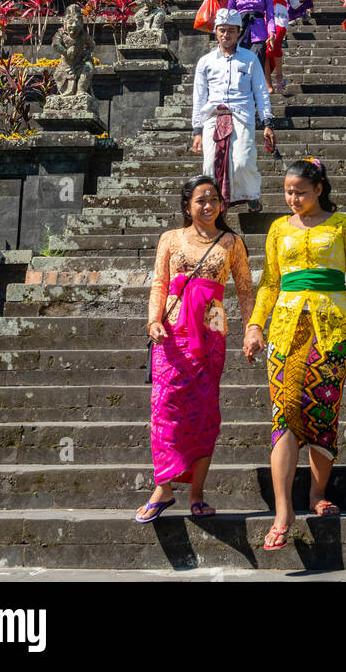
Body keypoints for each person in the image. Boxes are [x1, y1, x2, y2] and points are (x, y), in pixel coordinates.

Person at [243, 157, 346, 550]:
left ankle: (317, 494)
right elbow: (270, 282)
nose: (293, 199)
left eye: (300, 192)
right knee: (284, 412)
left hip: (331, 331)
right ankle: (283, 510)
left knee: (322, 413)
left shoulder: (343, 226)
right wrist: (255, 325)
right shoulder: (276, 229)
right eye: (288, 192)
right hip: (285, 331)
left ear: (319, 188)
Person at [137, 174, 254, 522]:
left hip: (210, 331)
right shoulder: (170, 239)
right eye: (201, 200)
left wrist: (251, 330)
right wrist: (153, 320)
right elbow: (159, 283)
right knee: (165, 409)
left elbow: (246, 291)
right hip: (172, 333)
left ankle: (197, 492)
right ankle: (164, 486)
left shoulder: (231, 242)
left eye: (214, 199)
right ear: (187, 206)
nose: (208, 205)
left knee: (204, 411)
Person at [191, 8, 277, 211]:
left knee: (242, 162)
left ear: (239, 32)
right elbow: (199, 96)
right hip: (213, 117)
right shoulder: (206, 62)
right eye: (222, 30)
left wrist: (267, 122)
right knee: (211, 166)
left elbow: (261, 92)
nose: (226, 34)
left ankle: (251, 196)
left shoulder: (249, 59)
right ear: (215, 31)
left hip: (241, 115)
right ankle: (215, 207)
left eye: (231, 30)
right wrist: (196, 130)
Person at [227, 0, 277, 69]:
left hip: (259, 34)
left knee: (256, 66)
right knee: (239, 67)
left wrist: (272, 33)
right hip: (239, 33)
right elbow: (230, 17)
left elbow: (270, 15)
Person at [262, 0, 293, 93]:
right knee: (267, 50)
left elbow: (294, 2)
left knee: (275, 44)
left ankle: (279, 76)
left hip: (281, 18)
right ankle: (268, 84)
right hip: (266, 17)